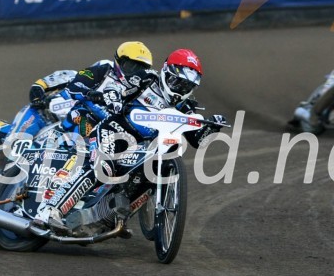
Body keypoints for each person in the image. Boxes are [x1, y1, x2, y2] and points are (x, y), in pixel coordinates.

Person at [35, 45, 225, 226]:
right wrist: (113, 96)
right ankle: (50, 210)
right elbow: (120, 87)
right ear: (167, 72)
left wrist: (212, 127)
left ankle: (112, 214)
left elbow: (197, 140)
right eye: (177, 82)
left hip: (142, 147)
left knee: (154, 169)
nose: (180, 89)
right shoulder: (147, 78)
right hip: (116, 130)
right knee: (103, 167)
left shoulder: (186, 106)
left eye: (186, 86)